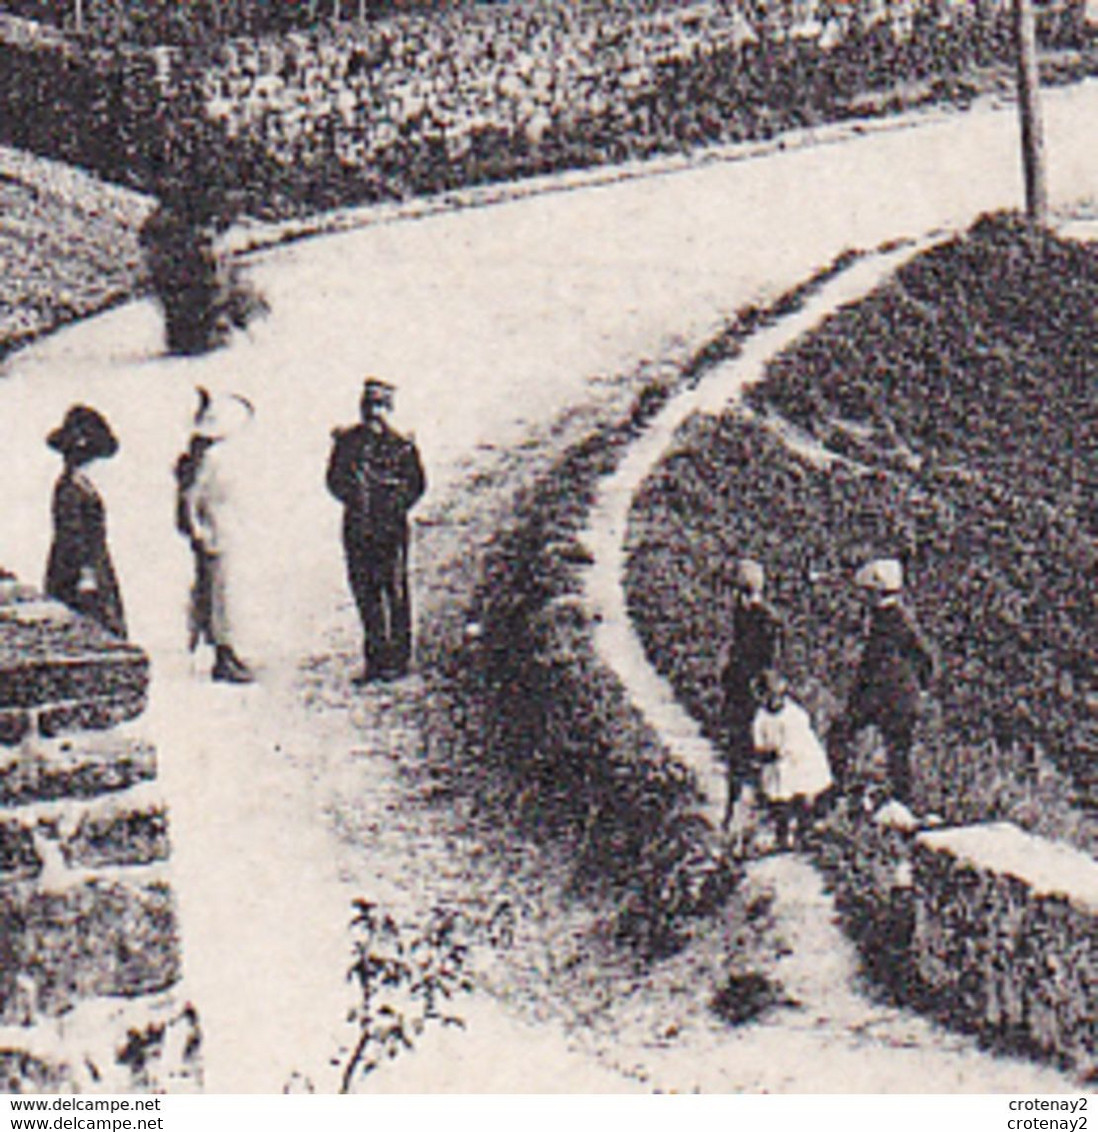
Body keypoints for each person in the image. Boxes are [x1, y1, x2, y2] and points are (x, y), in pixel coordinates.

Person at [326, 377, 426, 684]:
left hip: (390, 528)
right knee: (365, 592)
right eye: (369, 407)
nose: (374, 413)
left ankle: (398, 659)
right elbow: (333, 479)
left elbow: (417, 484)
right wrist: (353, 497)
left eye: (380, 407)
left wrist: (394, 504)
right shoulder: (347, 442)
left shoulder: (401, 446)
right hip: (357, 527)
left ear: (390, 409)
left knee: (394, 589)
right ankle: (375, 659)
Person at [830, 558, 936, 806]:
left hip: (886, 698)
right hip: (900, 698)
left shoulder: (885, 620)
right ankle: (900, 802)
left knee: (841, 732)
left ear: (875, 592)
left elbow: (872, 666)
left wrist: (855, 699)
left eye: (866, 592)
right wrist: (922, 688)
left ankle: (840, 789)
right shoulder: (899, 618)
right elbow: (925, 657)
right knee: (898, 753)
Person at [175, 388, 256, 684]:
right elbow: (190, 498)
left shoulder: (215, 455)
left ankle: (227, 650)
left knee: (224, 592)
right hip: (215, 533)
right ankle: (223, 654)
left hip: (226, 529)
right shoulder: (209, 458)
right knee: (219, 594)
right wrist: (197, 531)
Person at [44, 405, 127, 639]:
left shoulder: (80, 485)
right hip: (77, 570)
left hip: (89, 564)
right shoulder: (70, 488)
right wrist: (86, 574)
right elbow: (71, 535)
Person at [718, 558, 783, 834]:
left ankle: (762, 817)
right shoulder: (744, 614)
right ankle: (734, 811)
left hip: (754, 694)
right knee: (738, 751)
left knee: (758, 753)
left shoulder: (765, 619)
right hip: (739, 691)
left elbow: (768, 662)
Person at [751, 668, 833, 851]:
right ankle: (782, 836)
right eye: (767, 697)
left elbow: (795, 743)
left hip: (801, 760)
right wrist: (763, 752)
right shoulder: (761, 716)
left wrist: (777, 753)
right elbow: (759, 739)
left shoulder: (793, 715)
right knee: (779, 800)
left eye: (775, 696)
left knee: (801, 795)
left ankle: (802, 834)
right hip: (777, 762)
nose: (772, 701)